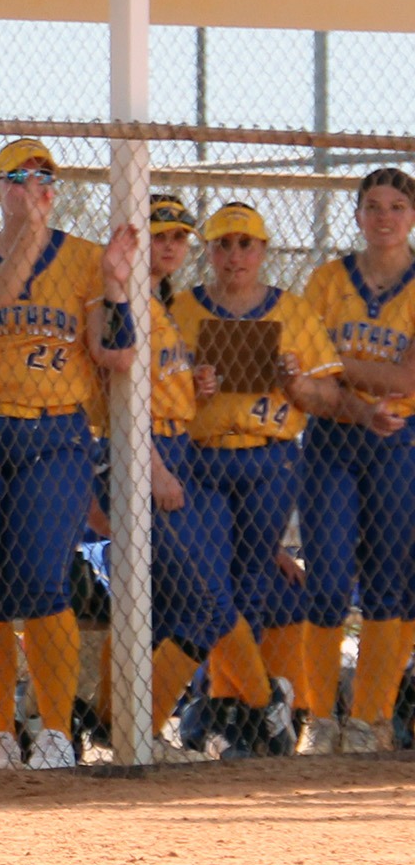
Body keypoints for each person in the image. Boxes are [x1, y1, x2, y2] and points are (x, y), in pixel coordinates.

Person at [0, 137, 136, 770]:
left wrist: (117, 286)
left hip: (55, 433)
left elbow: (116, 353)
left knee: (45, 582)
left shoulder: (82, 260)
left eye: (45, 176)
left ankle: (53, 729)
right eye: (17, 176)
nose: (33, 186)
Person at [170, 201, 401, 761]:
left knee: (250, 588)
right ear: (209, 252)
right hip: (200, 460)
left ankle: (241, 716)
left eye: (245, 244)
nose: (234, 255)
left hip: (269, 460)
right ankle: (257, 699)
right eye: (223, 244)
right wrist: (190, 388)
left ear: (264, 251)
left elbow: (325, 396)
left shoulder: (292, 312)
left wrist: (299, 388)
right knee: (207, 587)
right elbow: (152, 393)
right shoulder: (183, 308)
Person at [85, 196, 283, 760]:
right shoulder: (117, 300)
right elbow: (118, 385)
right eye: (158, 234)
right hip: (139, 456)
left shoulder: (159, 303)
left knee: (169, 608)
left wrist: (189, 389)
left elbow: (153, 384)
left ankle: (119, 729)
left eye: (178, 235)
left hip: (171, 449)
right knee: (208, 605)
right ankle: (144, 730)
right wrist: (154, 468)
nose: (170, 244)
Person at [297, 169, 415, 754]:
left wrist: (340, 358)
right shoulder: (326, 279)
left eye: (397, 206)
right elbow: (310, 371)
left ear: (412, 216)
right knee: (326, 581)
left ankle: (372, 718)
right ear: (357, 214)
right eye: (373, 206)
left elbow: (409, 378)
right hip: (331, 435)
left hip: (399, 440)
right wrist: (355, 379)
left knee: (389, 584)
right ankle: (319, 719)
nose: (385, 217)